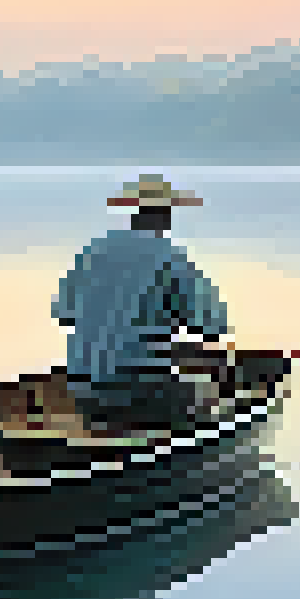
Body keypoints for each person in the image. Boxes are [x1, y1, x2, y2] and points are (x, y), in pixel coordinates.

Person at [53, 174, 230, 430]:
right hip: (140, 389)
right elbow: (210, 325)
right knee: (207, 386)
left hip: (83, 384)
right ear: (166, 216)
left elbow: (63, 314)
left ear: (135, 213)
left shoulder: (92, 252)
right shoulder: (171, 258)